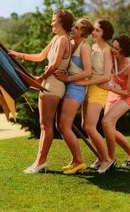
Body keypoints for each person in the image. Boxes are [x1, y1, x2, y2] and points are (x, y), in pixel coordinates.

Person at [8, 10, 73, 173]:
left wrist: (39, 78)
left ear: (61, 22)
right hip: (50, 84)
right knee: (45, 125)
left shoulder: (64, 40)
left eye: (54, 21)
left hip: (53, 86)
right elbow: (40, 56)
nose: (51, 23)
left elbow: (54, 65)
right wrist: (18, 54)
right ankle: (39, 162)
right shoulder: (56, 39)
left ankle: (40, 162)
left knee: (46, 126)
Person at [54, 18, 93, 175]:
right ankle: (74, 159)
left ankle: (79, 161)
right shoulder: (70, 43)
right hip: (67, 86)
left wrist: (67, 79)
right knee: (60, 125)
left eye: (76, 28)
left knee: (65, 125)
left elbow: (88, 72)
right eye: (74, 26)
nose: (72, 28)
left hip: (76, 88)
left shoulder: (84, 47)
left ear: (83, 32)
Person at [76, 19, 115, 174]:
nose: (93, 32)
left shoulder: (107, 50)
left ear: (105, 33)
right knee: (85, 125)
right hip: (88, 88)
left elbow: (106, 76)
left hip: (99, 90)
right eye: (93, 30)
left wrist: (86, 82)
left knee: (90, 126)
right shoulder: (92, 47)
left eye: (97, 30)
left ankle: (107, 159)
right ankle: (100, 157)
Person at [101, 35, 130, 167]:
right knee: (109, 127)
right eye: (112, 46)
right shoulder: (110, 57)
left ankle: (110, 159)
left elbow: (128, 92)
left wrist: (110, 88)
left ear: (124, 51)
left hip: (126, 96)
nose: (112, 50)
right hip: (113, 93)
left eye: (116, 48)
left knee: (106, 122)